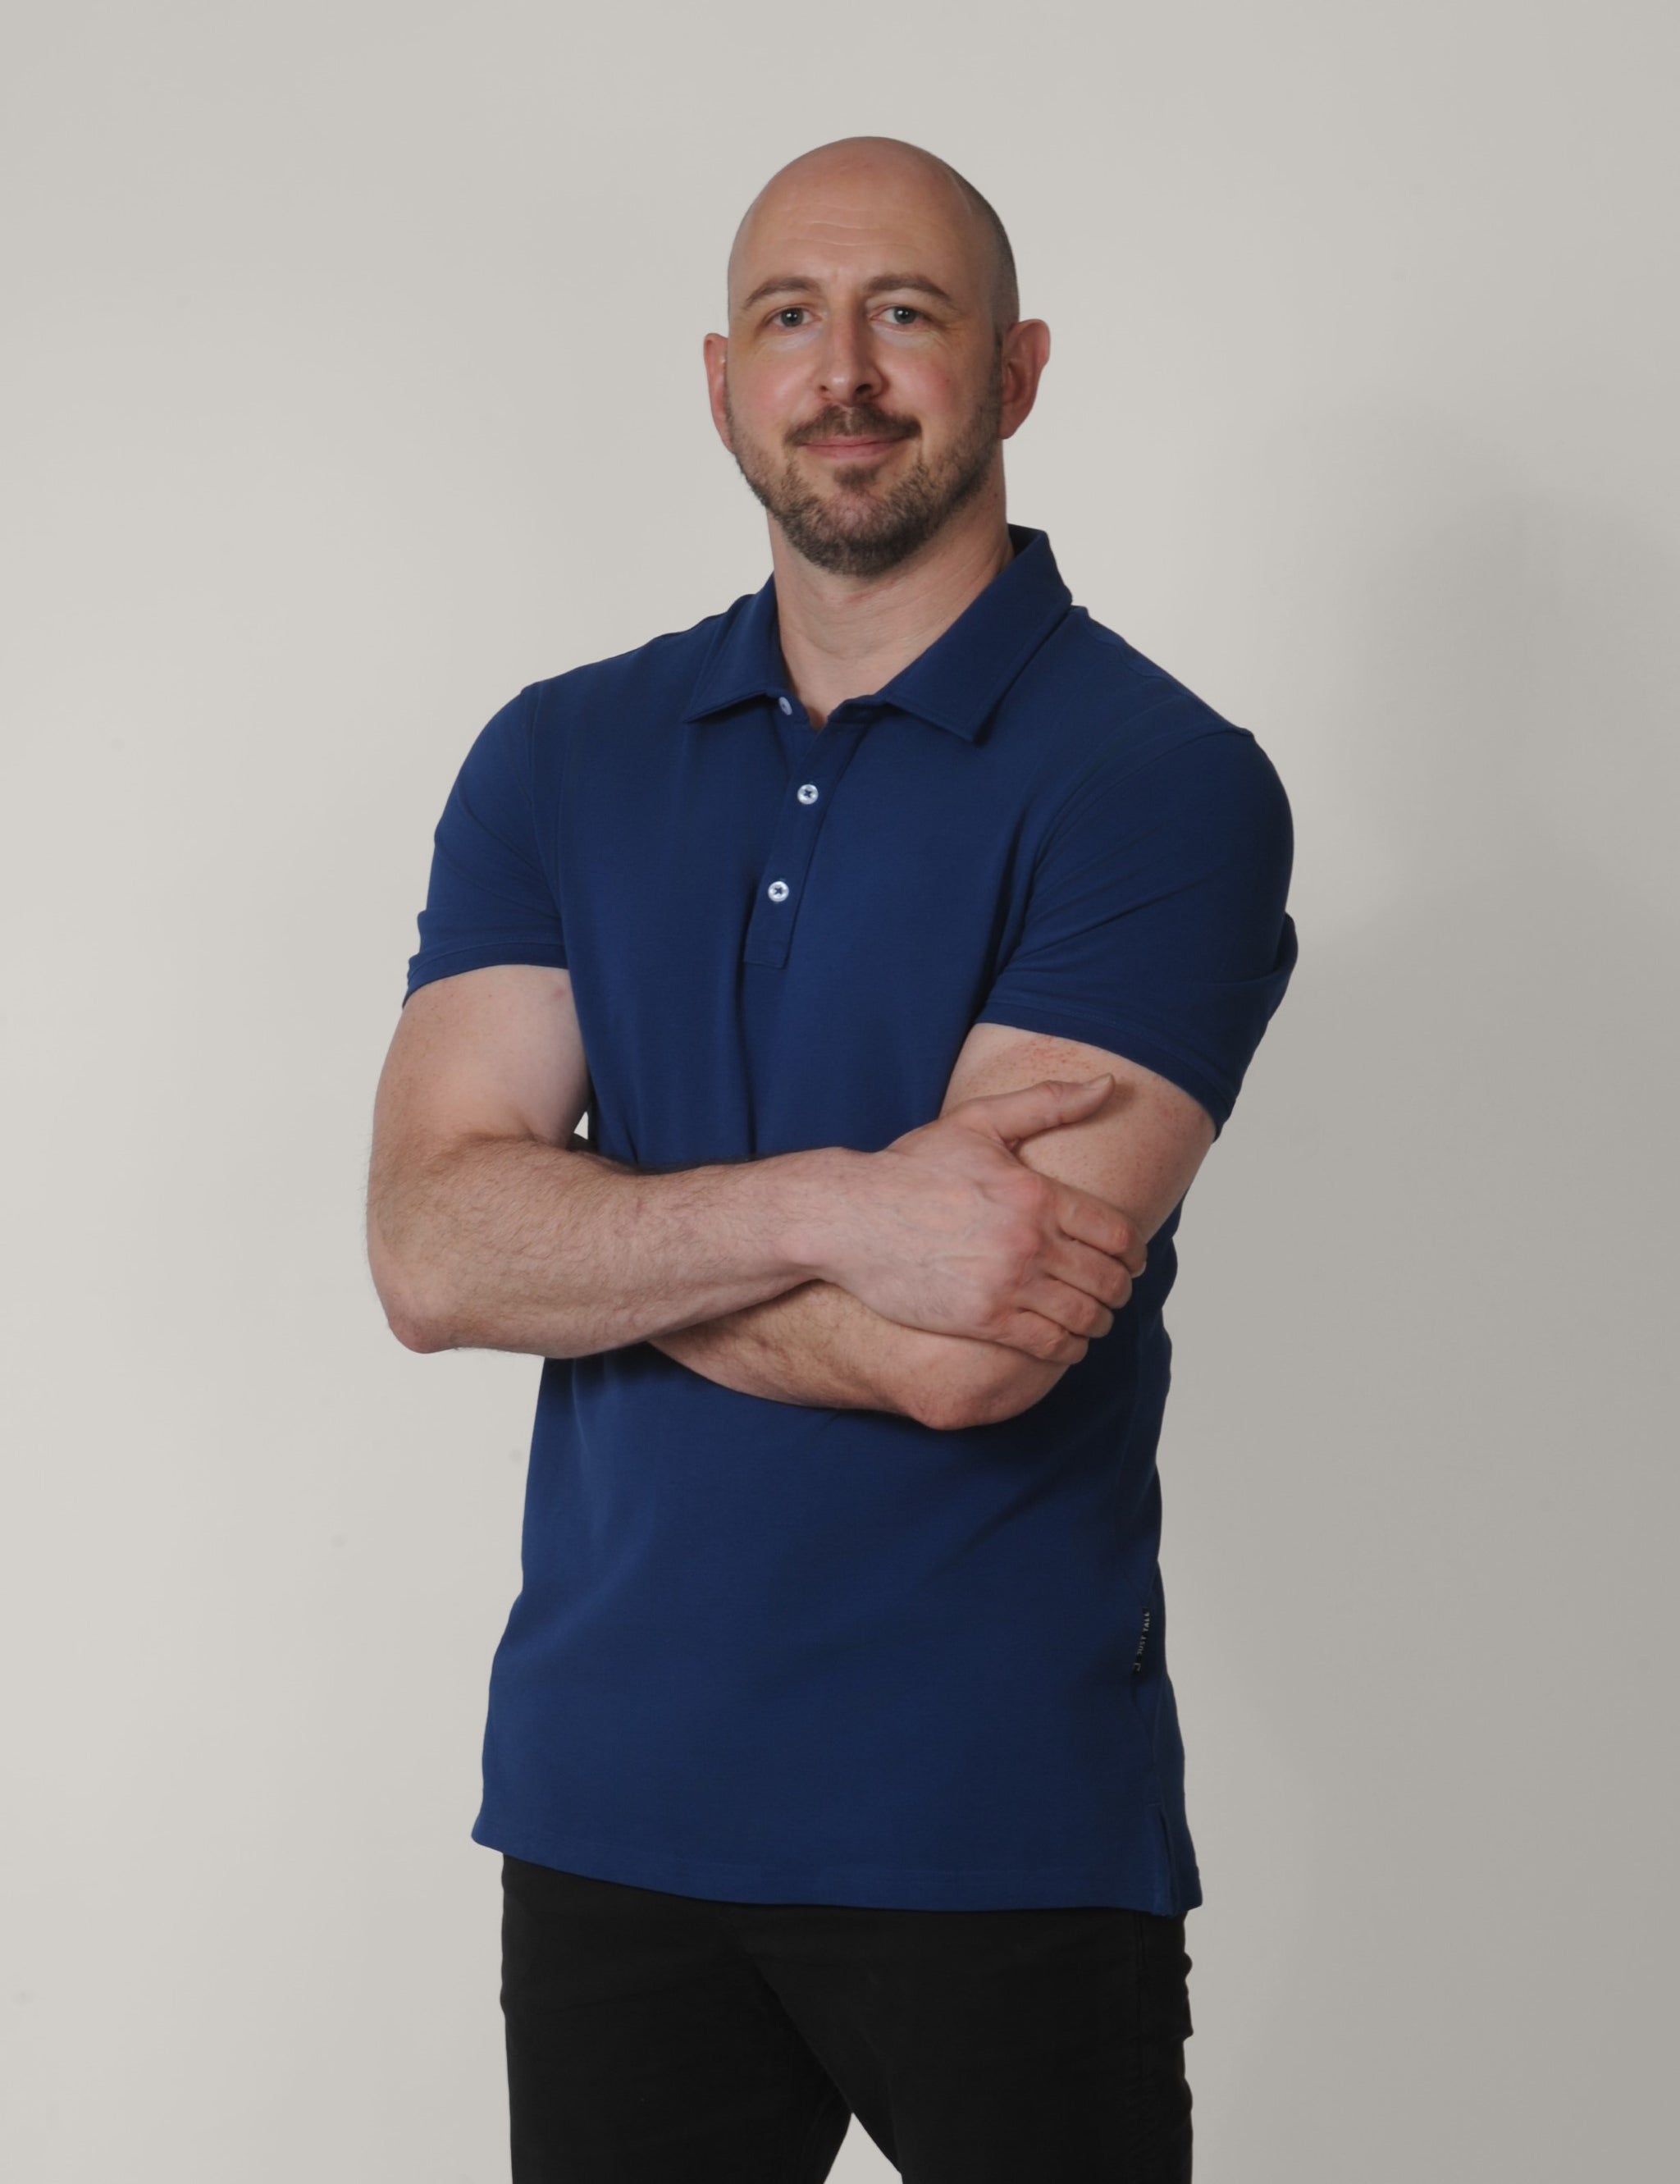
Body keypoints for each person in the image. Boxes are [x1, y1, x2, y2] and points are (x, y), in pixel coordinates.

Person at [368, 134, 1298, 2184]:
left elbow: (976, 1344)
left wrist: (594, 1232)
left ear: (1019, 369)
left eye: (907, 314)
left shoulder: (1159, 784)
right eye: (791, 317)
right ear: (721, 379)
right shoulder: (561, 754)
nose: (844, 369)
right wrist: (840, 1207)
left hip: (992, 1816)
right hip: (607, 1804)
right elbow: (432, 1252)